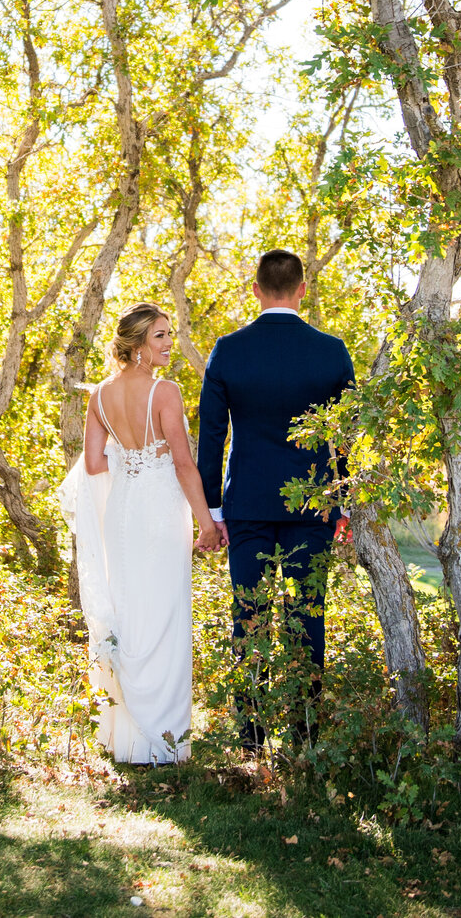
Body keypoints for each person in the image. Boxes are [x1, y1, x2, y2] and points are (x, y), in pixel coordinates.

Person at [197, 248, 355, 752]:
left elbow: (211, 438)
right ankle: (307, 735)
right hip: (312, 505)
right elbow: (346, 436)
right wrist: (343, 502)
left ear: (256, 289)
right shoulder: (332, 351)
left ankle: (249, 740)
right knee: (308, 615)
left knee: (249, 615)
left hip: (245, 504)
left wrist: (213, 509)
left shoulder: (228, 349)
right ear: (302, 289)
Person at [59, 303, 220, 764]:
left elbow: (93, 463)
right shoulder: (164, 392)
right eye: (160, 337)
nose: (169, 343)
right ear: (137, 345)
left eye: (170, 334)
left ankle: (128, 738)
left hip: (124, 511)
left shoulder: (99, 395)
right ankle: (164, 743)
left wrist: (132, 462)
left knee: (130, 609)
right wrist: (207, 523)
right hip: (159, 512)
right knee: (164, 615)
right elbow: (184, 464)